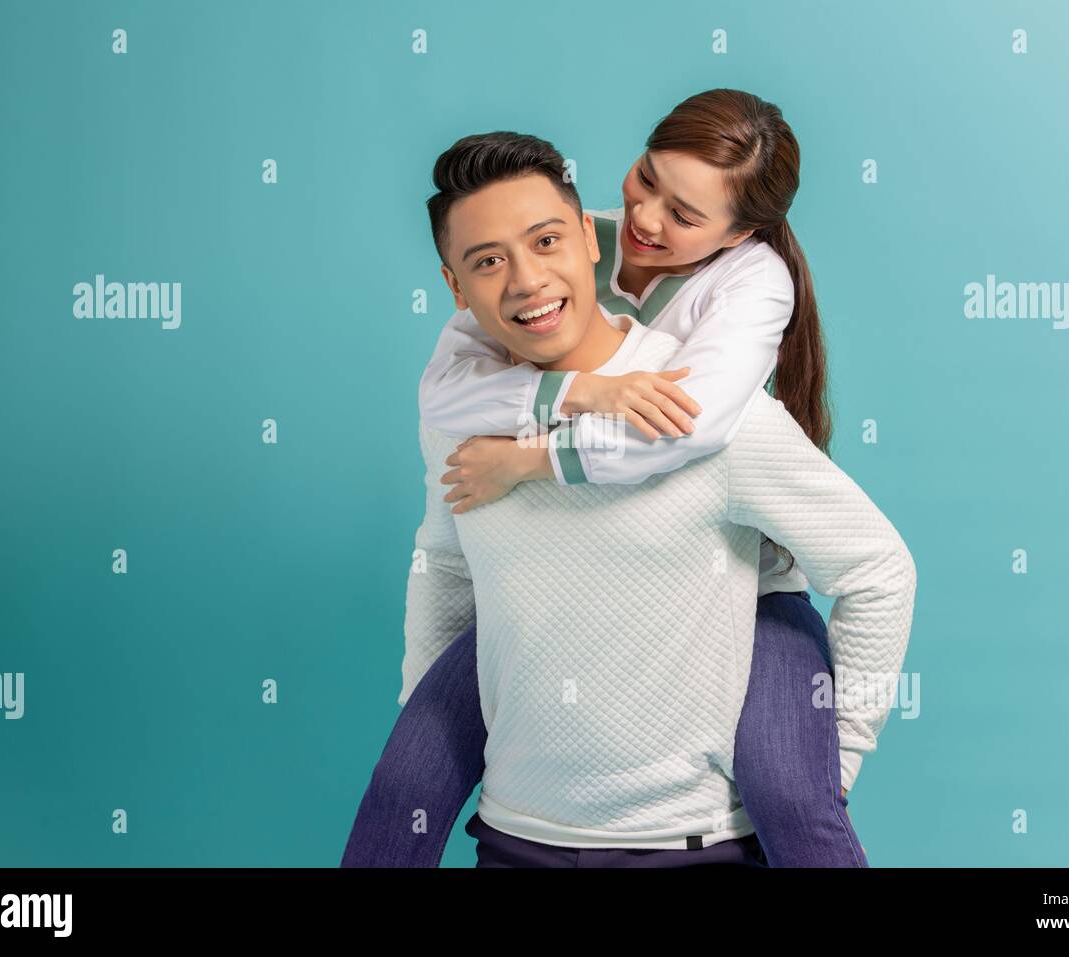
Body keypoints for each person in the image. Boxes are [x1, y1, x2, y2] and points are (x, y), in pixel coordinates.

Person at [341, 124, 917, 867]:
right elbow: (445, 564)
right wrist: (429, 733)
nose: (524, 281)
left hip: (692, 847)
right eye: (488, 261)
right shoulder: (458, 408)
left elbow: (879, 571)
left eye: (545, 242)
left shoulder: (704, 409)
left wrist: (828, 766)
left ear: (588, 238)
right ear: (455, 285)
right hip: (517, 839)